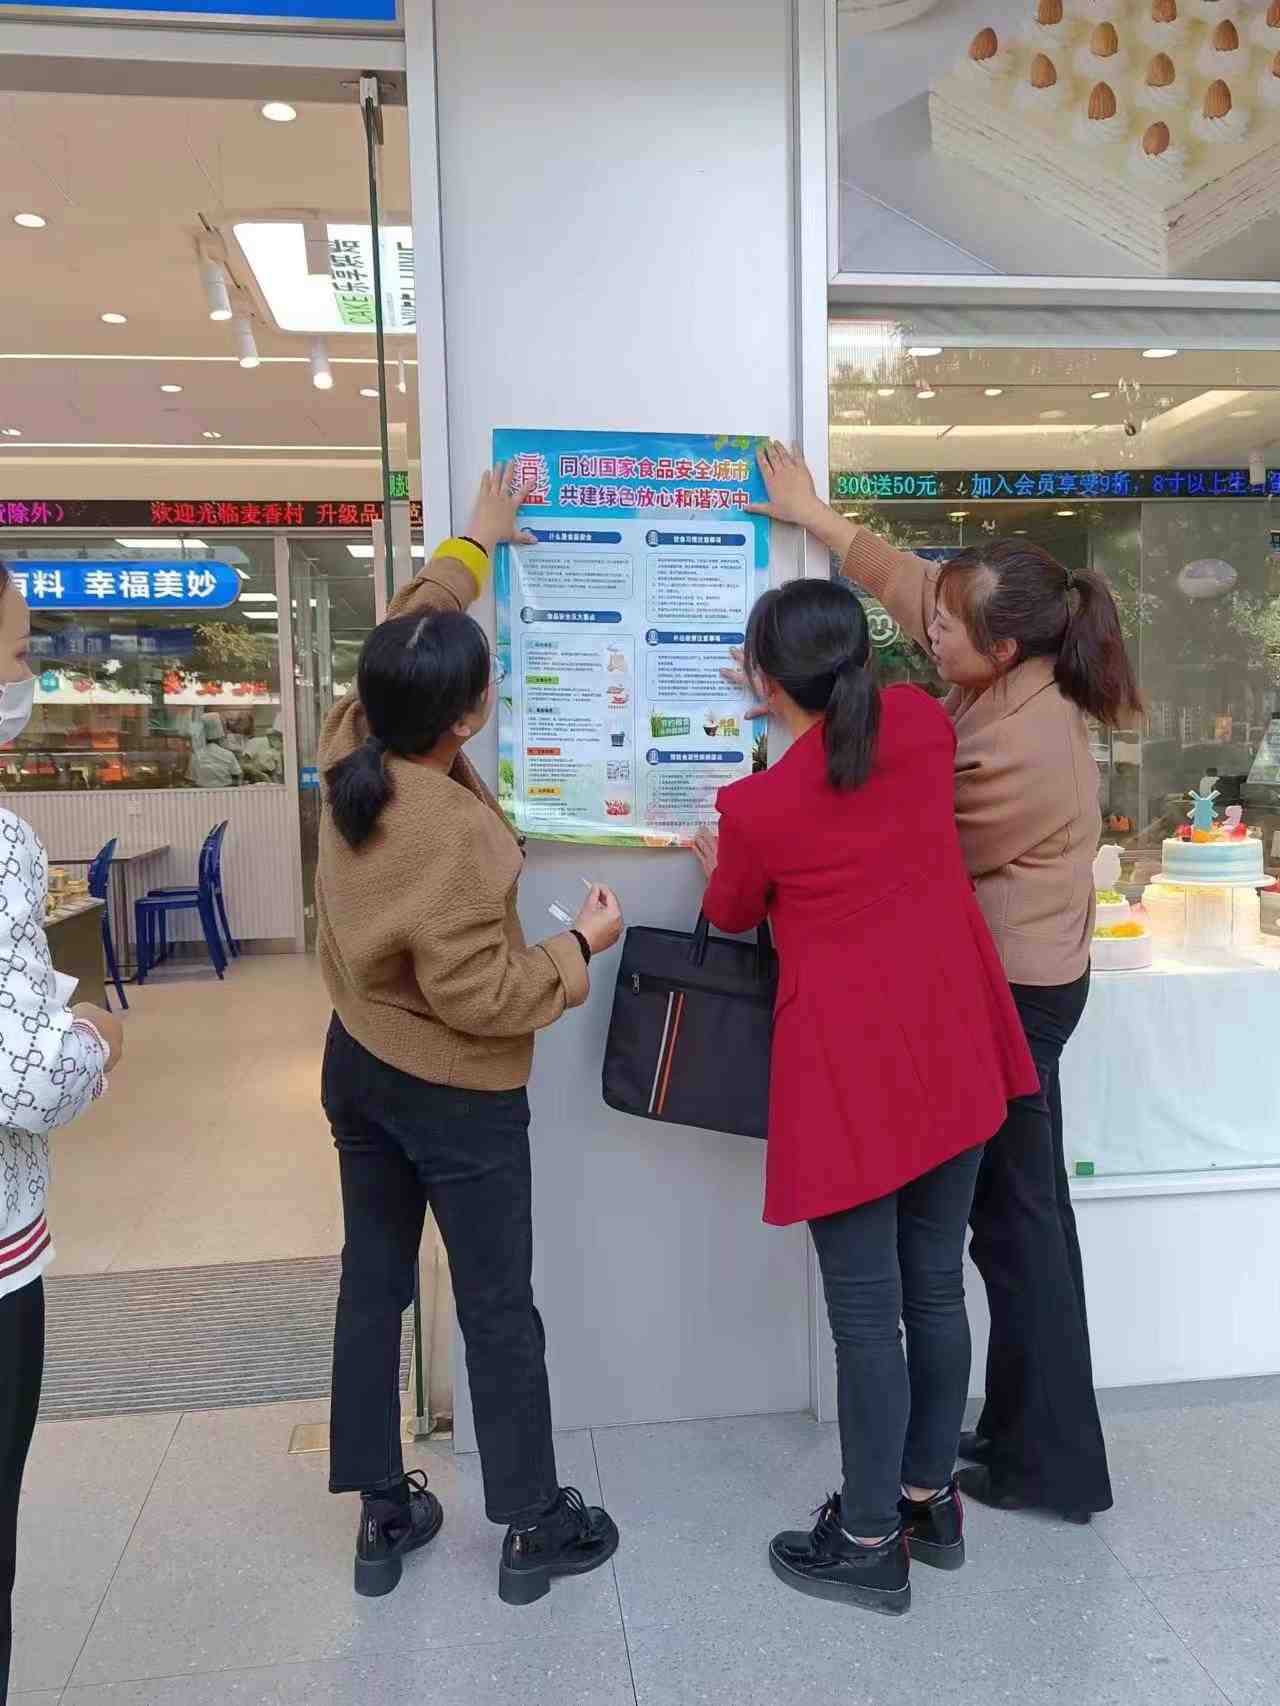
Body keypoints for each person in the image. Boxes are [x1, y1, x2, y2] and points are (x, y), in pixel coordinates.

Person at [741, 442, 1142, 1524]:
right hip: (1002, 981)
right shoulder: (994, 669)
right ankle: (992, 1436)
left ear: (1000, 648)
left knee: (1016, 1227)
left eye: (948, 632)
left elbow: (889, 838)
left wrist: (788, 761)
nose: (930, 633)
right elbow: (913, 586)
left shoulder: (1022, 745)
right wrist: (815, 516)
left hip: (1019, 994)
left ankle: (1047, 1459)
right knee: (984, 1235)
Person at [691, 577, 1036, 1616]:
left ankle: (869, 1538)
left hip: (848, 1075)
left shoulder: (755, 807)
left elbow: (731, 909)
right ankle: (929, 1502)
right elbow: (859, 739)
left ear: (763, 680)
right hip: (953, 1049)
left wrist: (719, 851)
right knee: (934, 1288)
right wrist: (784, 696)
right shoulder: (922, 726)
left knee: (864, 1318)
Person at [317, 465, 624, 1608]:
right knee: (495, 1301)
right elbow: (482, 996)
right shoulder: (453, 834)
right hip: (453, 1091)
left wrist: (474, 542)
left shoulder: (349, 739)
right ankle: (533, 1521)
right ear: (468, 717)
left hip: (357, 1063)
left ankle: (380, 1510)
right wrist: (579, 947)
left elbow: (412, 615)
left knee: (373, 1282)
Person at [0, 566, 124, 1706]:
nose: (26, 674)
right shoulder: (2, 846)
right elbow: (27, 1078)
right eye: (16, 650)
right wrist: (92, 1033)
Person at [189, 713, 243, 789]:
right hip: (225, 793)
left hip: (203, 793)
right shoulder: (228, 754)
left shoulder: (196, 755)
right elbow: (238, 776)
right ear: (220, 735)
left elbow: (192, 780)